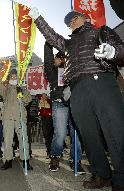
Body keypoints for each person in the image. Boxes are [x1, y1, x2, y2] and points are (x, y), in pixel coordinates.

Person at [29, 8, 124, 190]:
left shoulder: (101, 31)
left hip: (101, 80)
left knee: (115, 131)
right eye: (68, 21)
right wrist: (38, 19)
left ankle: (121, 177)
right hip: (77, 88)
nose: (70, 22)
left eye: (74, 18)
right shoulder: (67, 44)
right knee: (88, 135)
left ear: (85, 18)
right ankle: (101, 174)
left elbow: (121, 49)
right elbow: (52, 36)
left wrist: (113, 52)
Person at [44, 43, 85, 174]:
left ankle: (76, 160)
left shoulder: (73, 69)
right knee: (60, 133)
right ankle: (55, 157)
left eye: (60, 57)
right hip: (59, 103)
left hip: (75, 102)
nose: (56, 59)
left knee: (76, 134)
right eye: (56, 57)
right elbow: (47, 58)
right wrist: (48, 43)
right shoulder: (52, 71)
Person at [0, 68, 33, 170]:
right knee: (7, 139)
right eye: (11, 76)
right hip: (7, 117)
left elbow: (28, 100)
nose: (13, 78)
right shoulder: (6, 89)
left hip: (19, 116)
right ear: (9, 78)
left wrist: (22, 93)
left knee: (23, 138)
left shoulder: (23, 88)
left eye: (15, 76)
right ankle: (8, 160)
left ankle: (25, 160)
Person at [38, 93, 53, 159]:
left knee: (51, 136)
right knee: (46, 136)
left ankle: (55, 152)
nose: (43, 96)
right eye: (42, 95)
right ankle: (49, 152)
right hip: (44, 120)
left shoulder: (50, 101)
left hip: (51, 120)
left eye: (45, 95)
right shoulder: (40, 101)